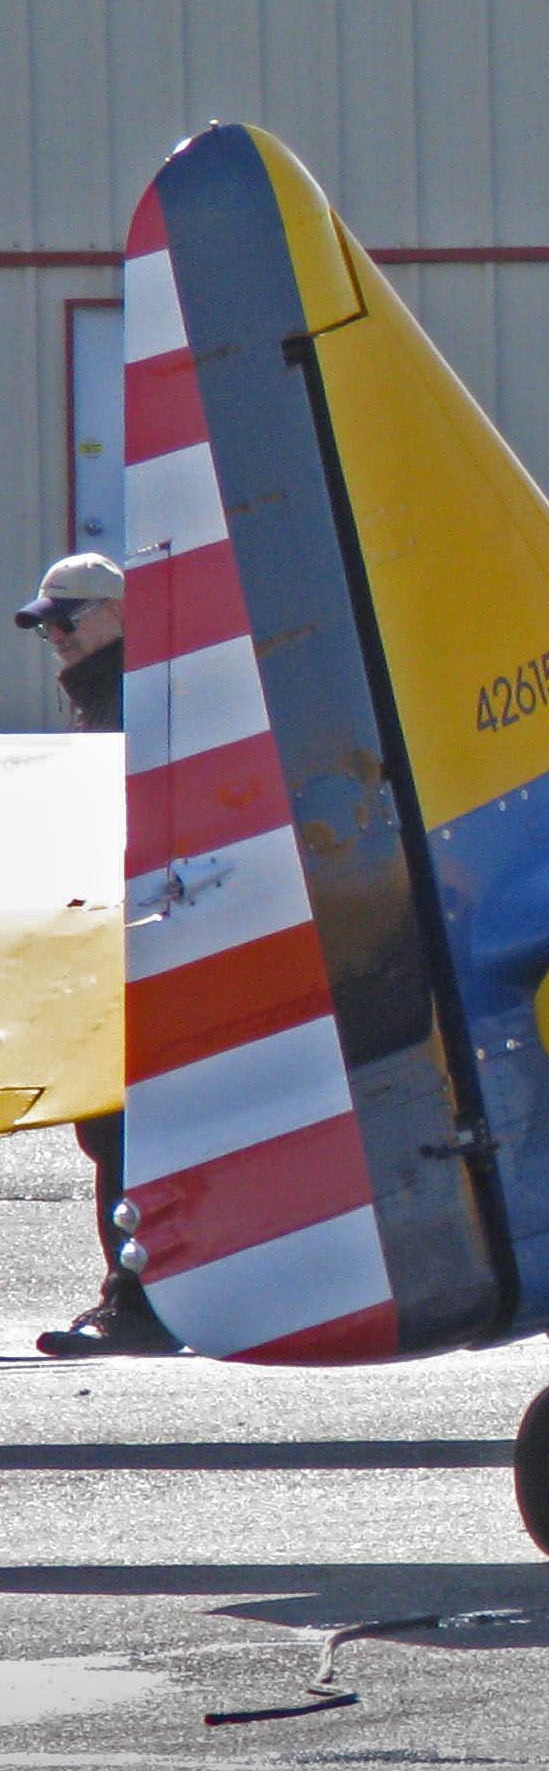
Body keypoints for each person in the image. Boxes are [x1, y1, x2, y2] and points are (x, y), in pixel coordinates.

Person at [18, 553, 172, 1359]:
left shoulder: (135, 699)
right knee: (112, 1126)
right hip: (107, 944)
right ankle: (145, 1294)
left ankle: (142, 1300)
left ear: (118, 614)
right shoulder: (105, 699)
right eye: (45, 624)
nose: (54, 635)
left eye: (66, 618)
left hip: (139, 948)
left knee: (123, 1127)